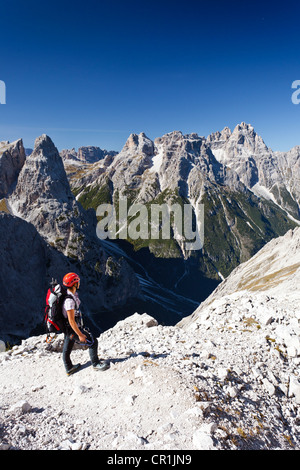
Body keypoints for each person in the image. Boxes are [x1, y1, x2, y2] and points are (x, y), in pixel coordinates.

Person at [62, 272, 110, 376]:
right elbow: (71, 320)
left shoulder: (70, 295)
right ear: (74, 284)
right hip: (72, 328)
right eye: (77, 281)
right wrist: (80, 334)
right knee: (93, 342)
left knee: (67, 347)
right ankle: (96, 364)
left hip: (67, 329)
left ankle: (69, 368)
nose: (79, 282)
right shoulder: (69, 301)